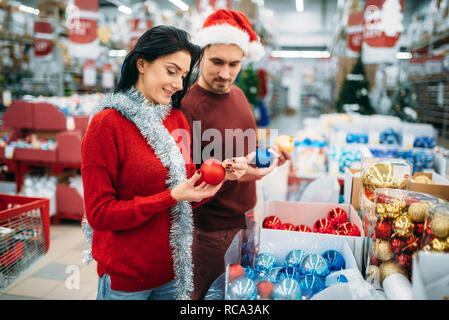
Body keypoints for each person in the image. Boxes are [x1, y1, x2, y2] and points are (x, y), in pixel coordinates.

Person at [80, 25, 247, 300]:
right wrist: (170, 196)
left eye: (183, 75)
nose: (179, 85)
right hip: (126, 280)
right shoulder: (107, 124)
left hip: (173, 274)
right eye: (171, 71)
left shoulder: (175, 119)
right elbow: (100, 214)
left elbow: (184, 187)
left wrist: (217, 176)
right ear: (142, 63)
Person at [181, 9, 292, 300]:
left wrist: (266, 157)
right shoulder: (188, 107)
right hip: (209, 232)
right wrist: (253, 173)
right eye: (217, 62)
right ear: (201, 55)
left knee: (238, 297)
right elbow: (187, 178)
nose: (225, 73)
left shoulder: (239, 96)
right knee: (205, 297)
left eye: (234, 64)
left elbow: (244, 152)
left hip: (246, 219)